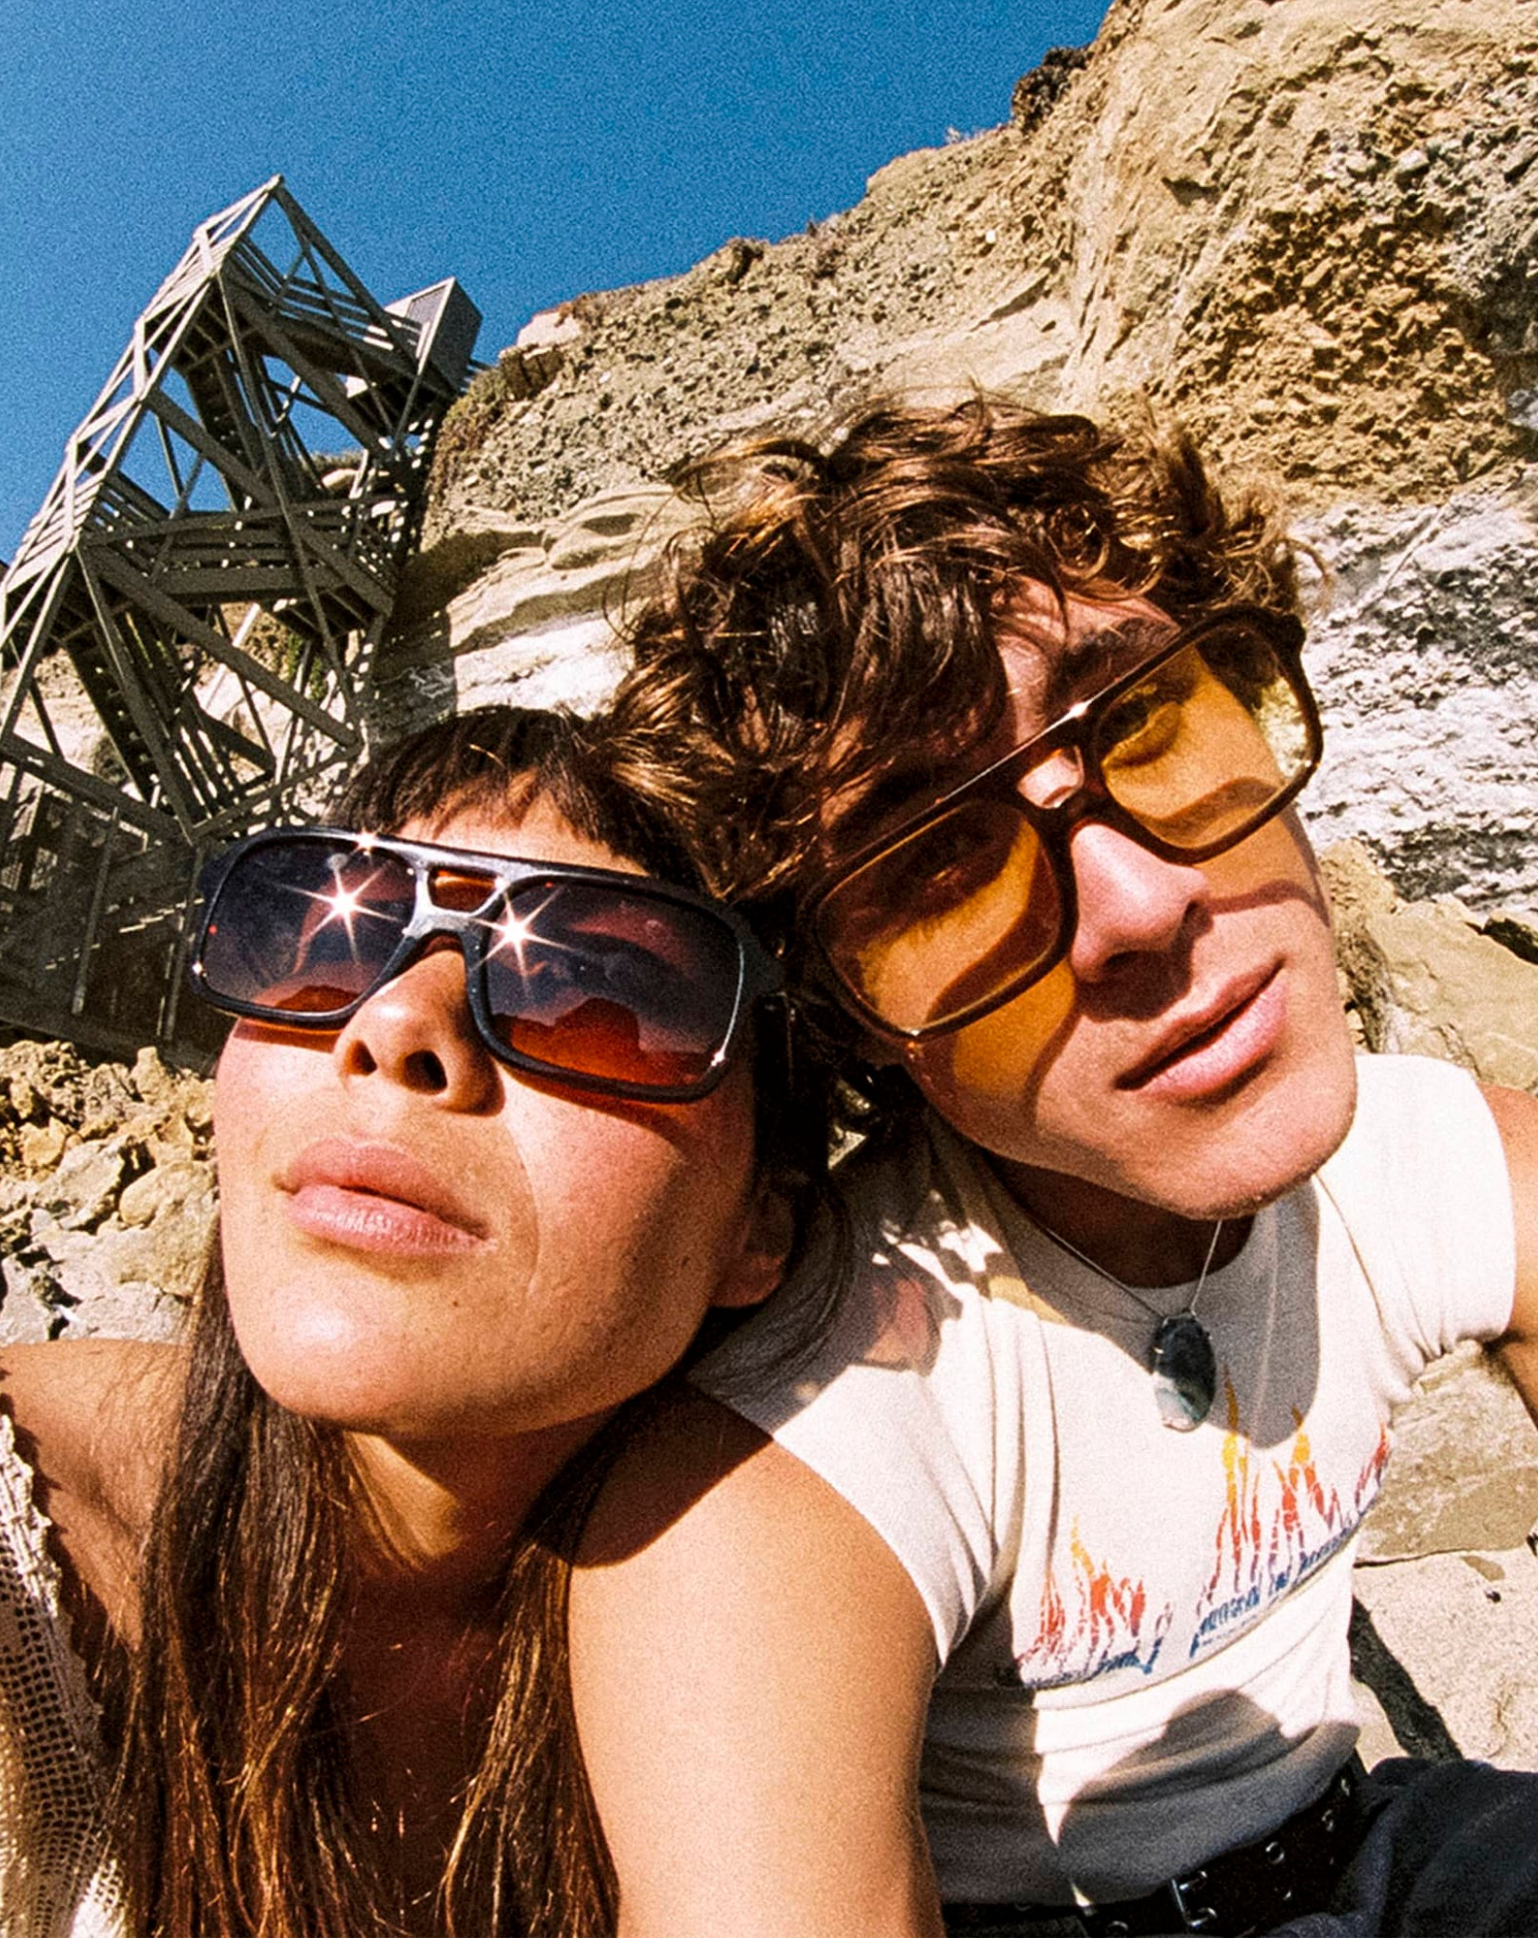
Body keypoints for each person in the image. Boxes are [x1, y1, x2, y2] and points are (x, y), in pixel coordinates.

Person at [569, 398, 1538, 1938]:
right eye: (935, 865)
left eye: (1145, 717)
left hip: (1388, 1833)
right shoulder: (801, 1445)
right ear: (848, 1015)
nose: (1139, 904)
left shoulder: (1428, 1157)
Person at [0, 703, 827, 1938]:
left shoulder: (821, 1653)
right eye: (330, 937)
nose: (388, 1024)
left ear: (762, 1224)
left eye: (589, 989)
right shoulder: (26, 1590)